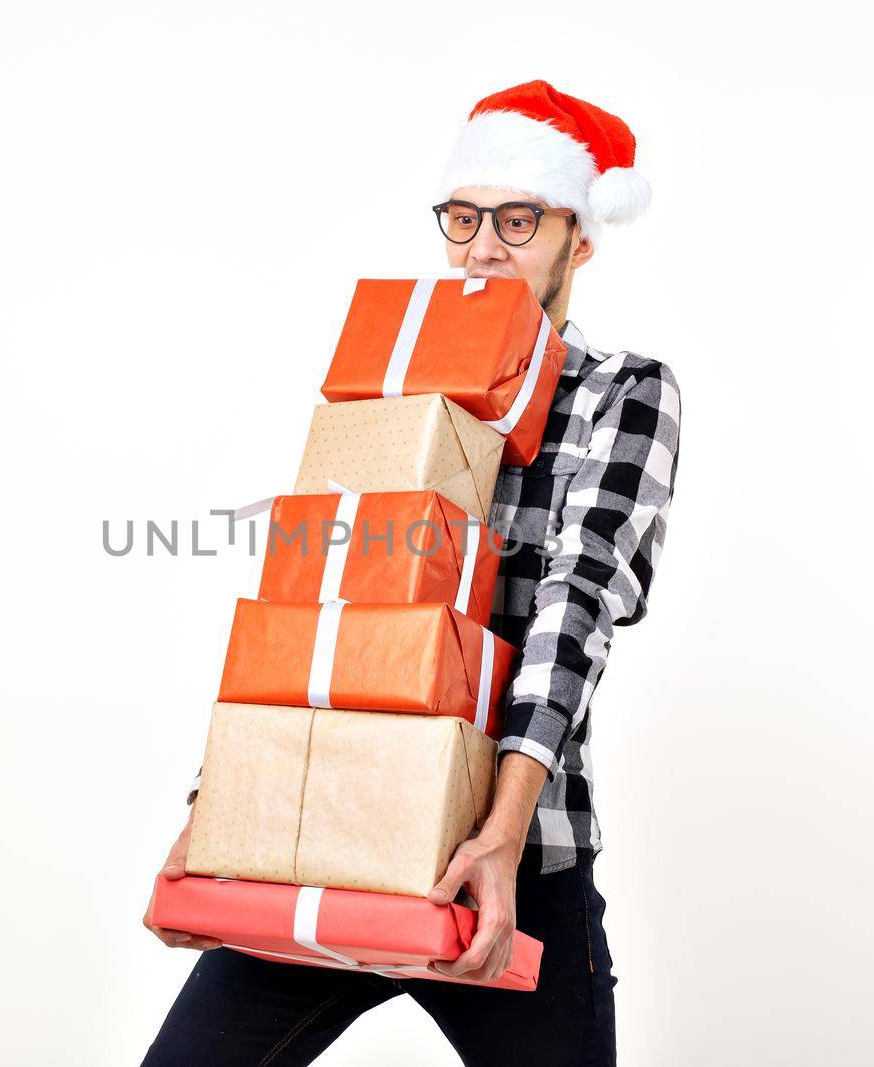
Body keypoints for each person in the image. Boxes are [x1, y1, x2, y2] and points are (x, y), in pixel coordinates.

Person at [141, 80, 682, 1066]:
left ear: (581, 238)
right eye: (464, 217)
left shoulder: (622, 391)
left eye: (518, 219)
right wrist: (211, 812)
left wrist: (499, 838)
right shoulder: (394, 385)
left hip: (512, 857)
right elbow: (317, 615)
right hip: (326, 825)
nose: (482, 246)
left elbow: (577, 604)